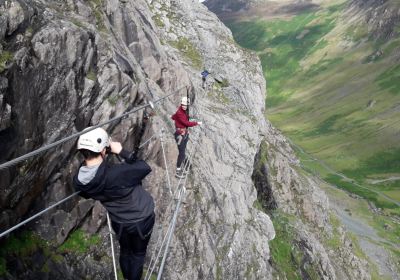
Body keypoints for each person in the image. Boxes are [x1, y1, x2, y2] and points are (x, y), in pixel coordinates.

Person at [73, 127, 155, 280]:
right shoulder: (118, 173)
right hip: (141, 218)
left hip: (119, 221)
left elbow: (91, 173)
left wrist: (104, 151)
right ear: (103, 150)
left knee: (125, 251)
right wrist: (121, 151)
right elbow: (144, 167)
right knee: (138, 254)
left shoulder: (79, 181)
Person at [171, 97, 201, 178]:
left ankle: (180, 169)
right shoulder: (180, 112)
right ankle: (178, 171)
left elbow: (173, 117)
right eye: (183, 105)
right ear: (181, 104)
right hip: (180, 135)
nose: (184, 106)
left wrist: (176, 119)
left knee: (183, 152)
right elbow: (186, 123)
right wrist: (197, 123)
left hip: (183, 134)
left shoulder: (182, 111)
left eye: (185, 105)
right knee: (182, 153)